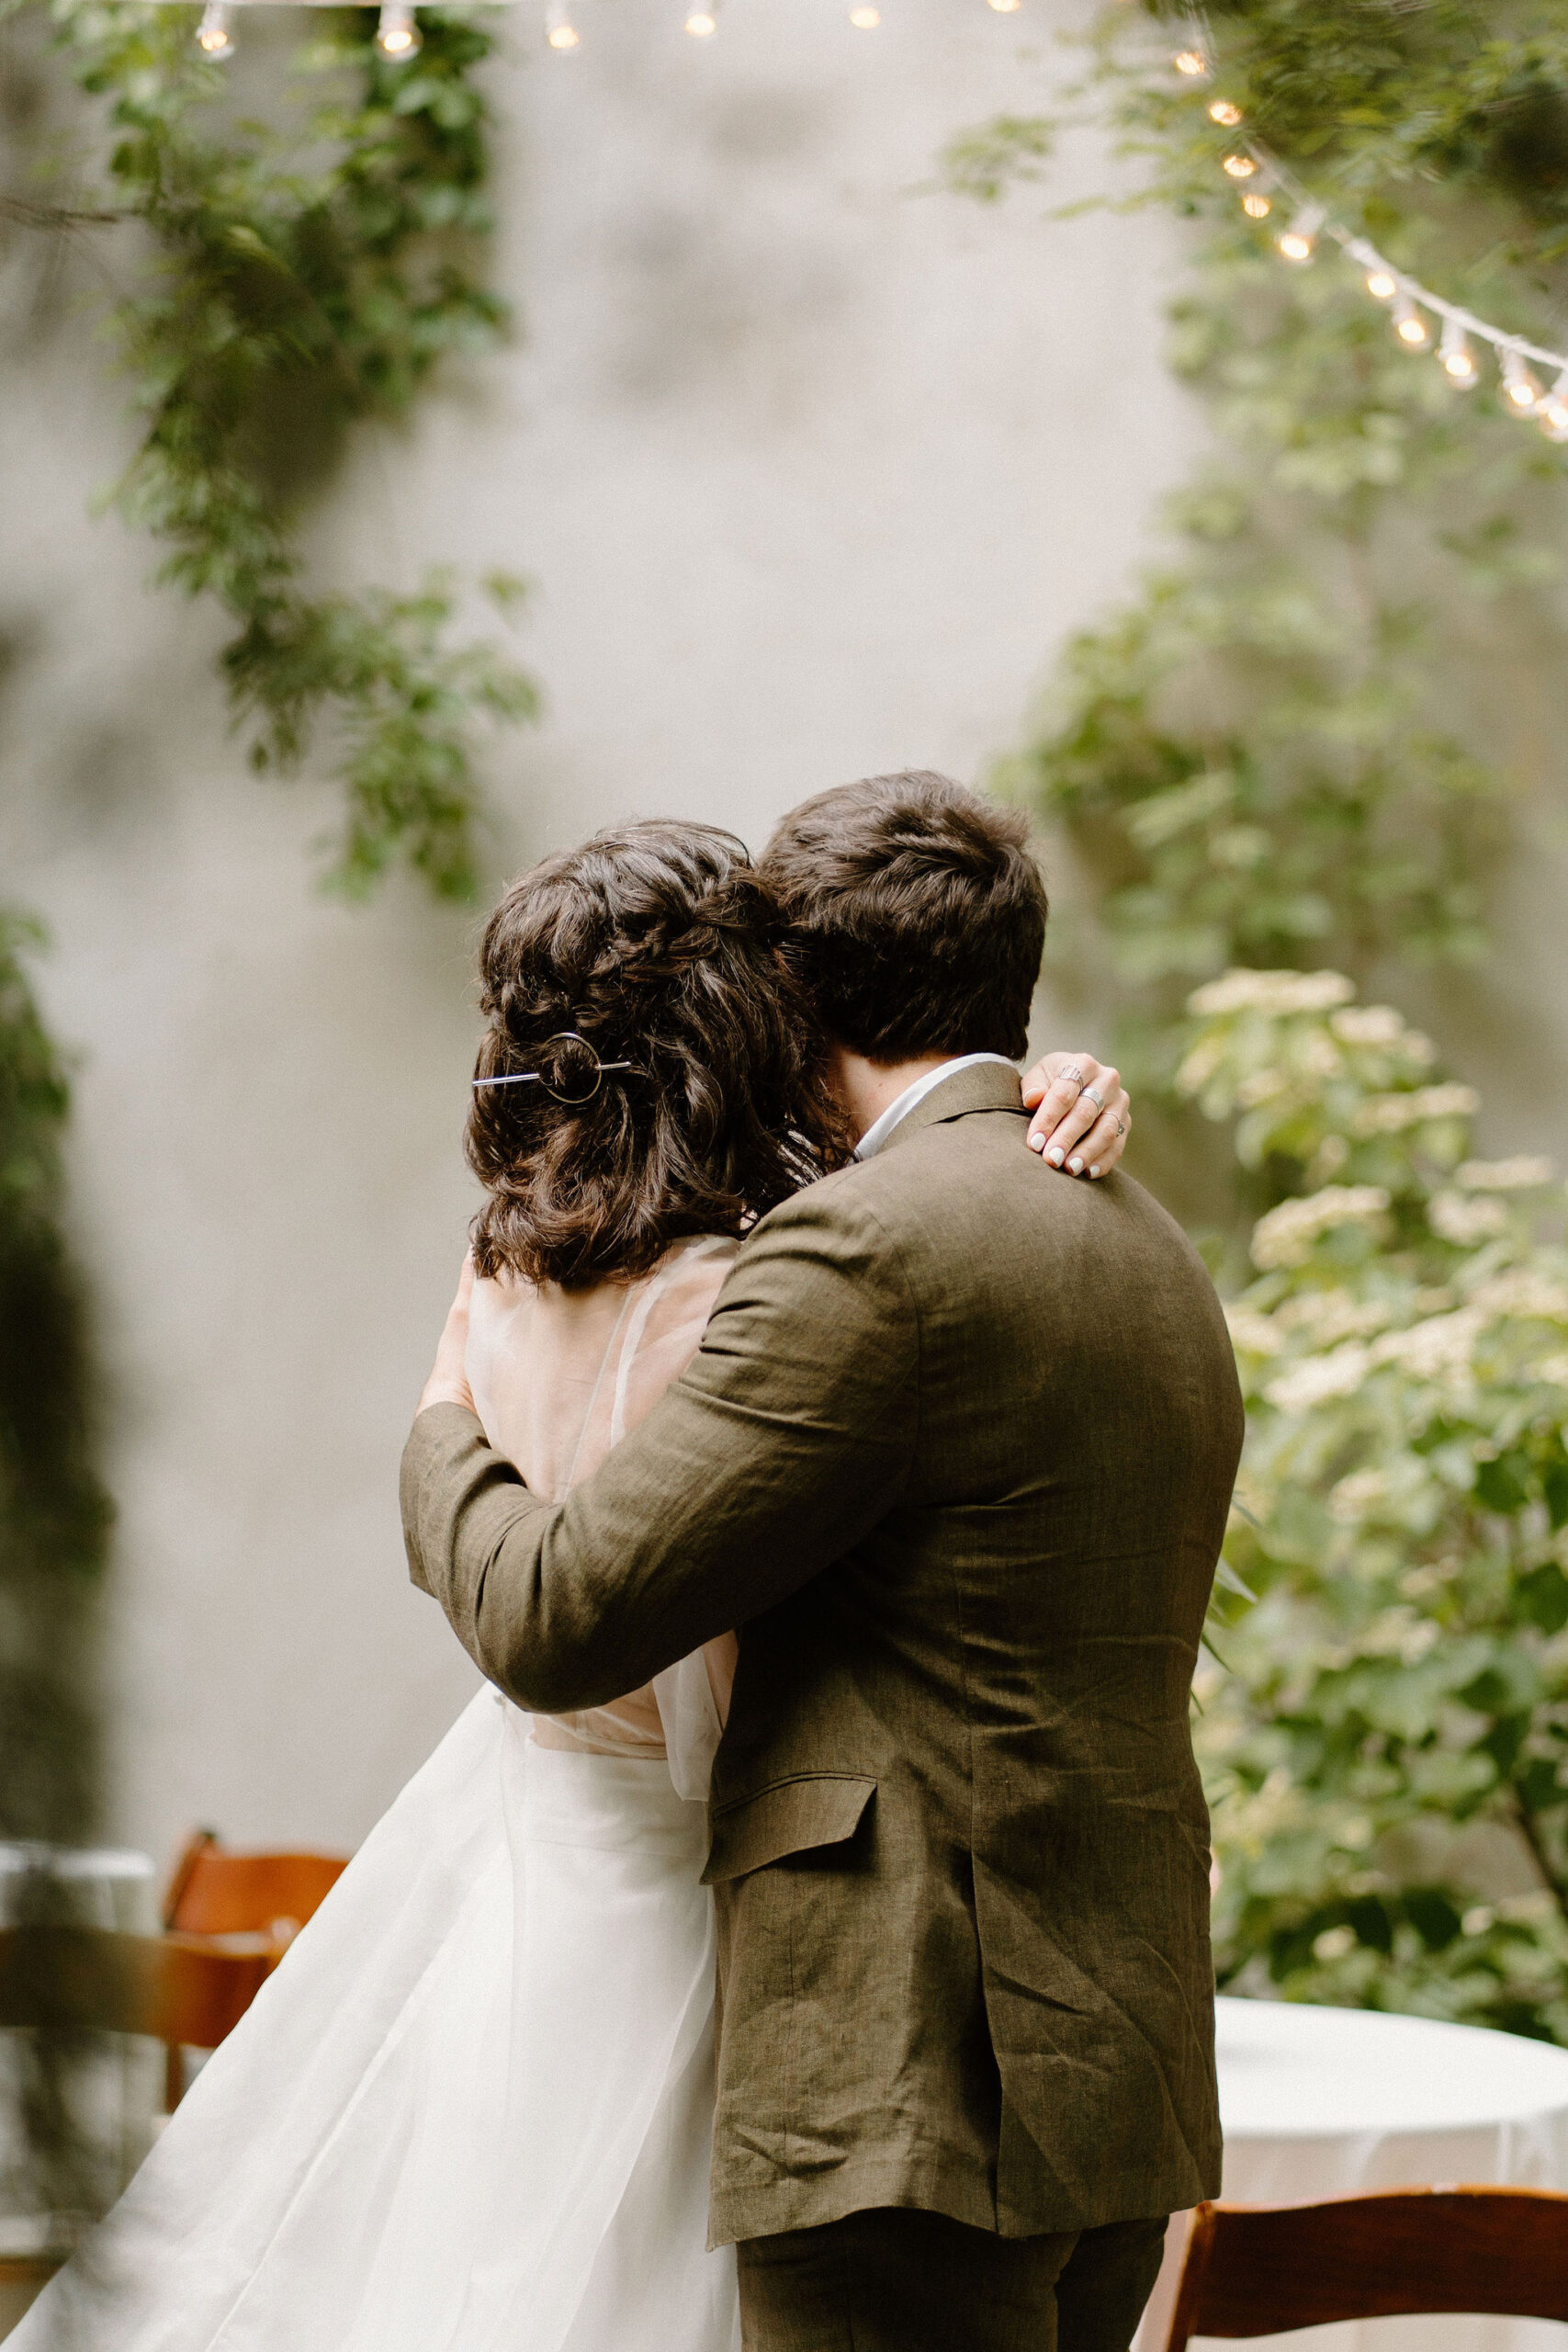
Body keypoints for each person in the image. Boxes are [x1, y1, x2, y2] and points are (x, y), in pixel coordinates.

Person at [12, 803, 1128, 2352]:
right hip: (709, 1921)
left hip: (519, 1880)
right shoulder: (759, 1286)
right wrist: (1022, 1112)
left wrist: (1009, 1104)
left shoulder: (505, 1267)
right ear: (734, 1024)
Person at [406, 771, 1245, 2352]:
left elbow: (563, 1616)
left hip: (910, 2080)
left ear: (798, 990)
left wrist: (444, 1428)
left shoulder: (863, 1250)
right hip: (1118, 2070)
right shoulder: (1151, 1241)